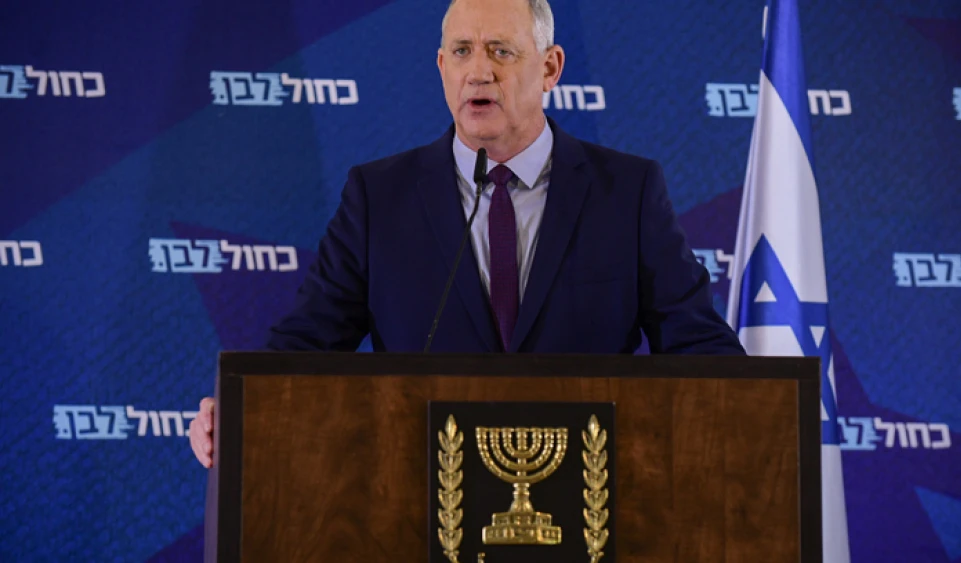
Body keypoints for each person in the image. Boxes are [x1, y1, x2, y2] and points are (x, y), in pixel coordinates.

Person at [189, 0, 745, 468]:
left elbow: (698, 345)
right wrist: (239, 405)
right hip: (420, 493)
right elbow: (307, 343)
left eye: (501, 51)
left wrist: (754, 407)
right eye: (462, 51)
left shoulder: (626, 192)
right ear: (441, 66)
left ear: (550, 68)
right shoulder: (379, 197)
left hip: (589, 496)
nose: (478, 71)